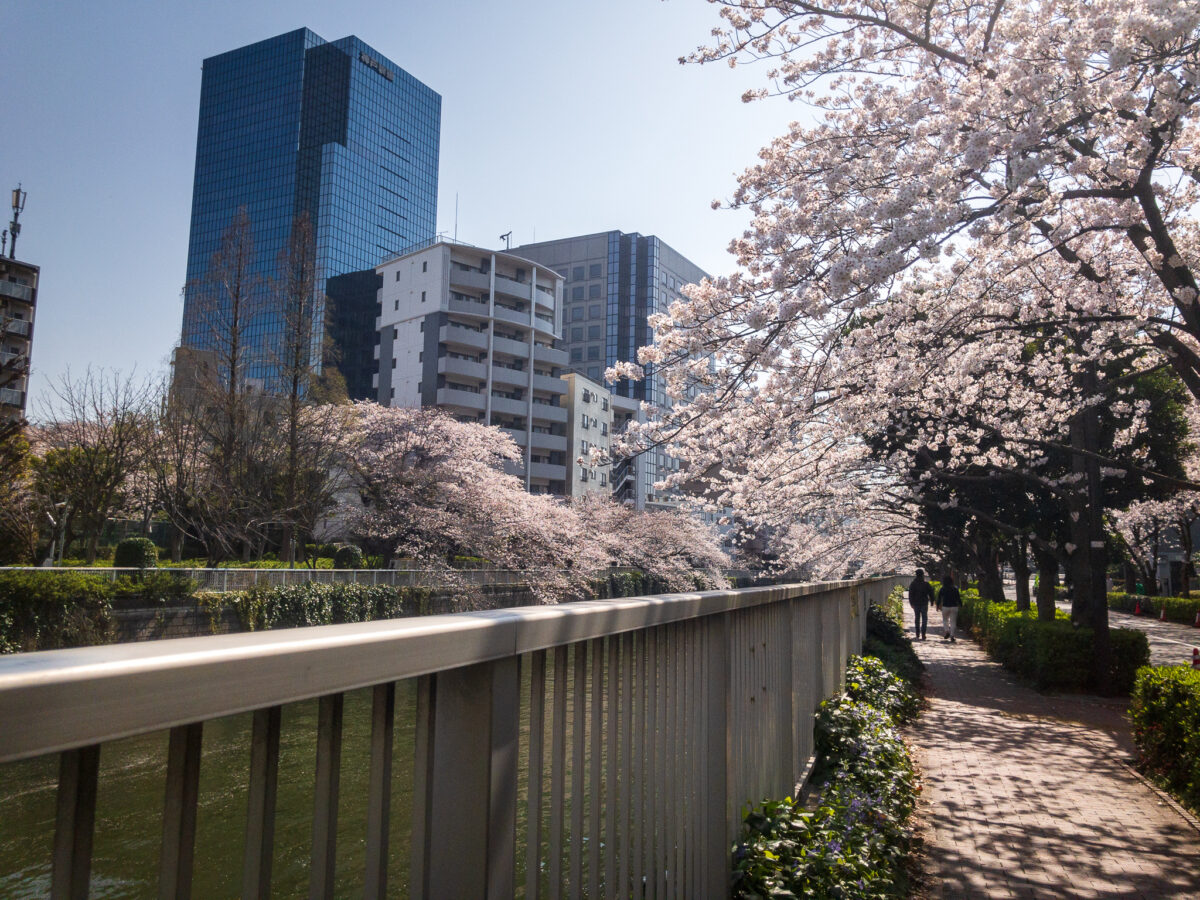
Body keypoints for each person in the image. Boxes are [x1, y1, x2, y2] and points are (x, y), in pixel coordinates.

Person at [908, 568, 933, 640]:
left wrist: (911, 603)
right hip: (924, 603)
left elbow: (910, 594)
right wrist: (932, 601)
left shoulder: (913, 584)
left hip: (916, 603)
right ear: (922, 575)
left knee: (917, 618)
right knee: (924, 618)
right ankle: (923, 633)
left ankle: (917, 633)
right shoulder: (926, 584)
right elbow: (931, 592)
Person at [937, 573, 962, 641]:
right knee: (953, 622)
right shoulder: (955, 588)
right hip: (954, 607)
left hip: (945, 607)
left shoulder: (942, 588)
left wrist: (937, 605)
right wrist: (961, 605)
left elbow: (939, 598)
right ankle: (952, 635)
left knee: (945, 620)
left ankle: (947, 631)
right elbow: (958, 598)